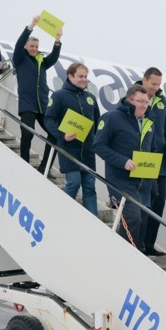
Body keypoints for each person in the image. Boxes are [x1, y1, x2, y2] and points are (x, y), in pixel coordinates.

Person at [94, 85, 155, 246]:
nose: (144, 105)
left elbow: (151, 149)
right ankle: (122, 255)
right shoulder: (112, 118)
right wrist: (123, 161)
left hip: (143, 183)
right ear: (129, 100)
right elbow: (98, 146)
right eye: (140, 101)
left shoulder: (149, 122)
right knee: (132, 218)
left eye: (146, 102)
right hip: (120, 180)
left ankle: (134, 256)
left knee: (142, 223)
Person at [44, 62, 101, 215]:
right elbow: (48, 119)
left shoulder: (90, 98)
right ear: (70, 76)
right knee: (74, 182)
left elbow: (97, 122)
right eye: (80, 76)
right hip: (69, 149)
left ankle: (93, 222)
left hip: (88, 151)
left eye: (85, 76)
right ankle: (62, 214)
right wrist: (61, 135)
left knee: (90, 186)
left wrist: (96, 140)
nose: (84, 79)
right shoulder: (59, 96)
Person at [135, 67, 166, 256]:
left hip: (160, 159)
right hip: (143, 156)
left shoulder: (161, 101)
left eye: (159, 84)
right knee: (145, 201)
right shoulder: (135, 97)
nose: (156, 87)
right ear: (144, 80)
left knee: (159, 201)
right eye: (153, 84)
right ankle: (139, 244)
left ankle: (150, 243)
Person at [13, 15, 63, 174]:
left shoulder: (42, 61)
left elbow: (53, 58)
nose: (34, 48)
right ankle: (24, 164)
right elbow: (19, 44)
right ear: (26, 47)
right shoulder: (20, 59)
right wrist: (31, 26)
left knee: (55, 135)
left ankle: (44, 167)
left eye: (36, 46)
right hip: (28, 105)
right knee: (27, 134)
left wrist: (57, 40)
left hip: (42, 104)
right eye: (32, 46)